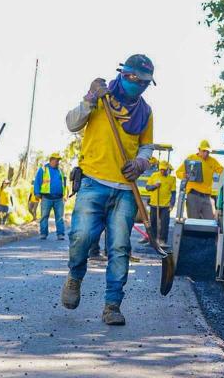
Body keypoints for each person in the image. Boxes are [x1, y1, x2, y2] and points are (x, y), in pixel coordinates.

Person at [62, 54, 156, 325]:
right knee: (80, 238)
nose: (138, 85)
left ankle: (112, 305)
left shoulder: (145, 112)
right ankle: (74, 277)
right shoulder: (101, 98)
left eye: (144, 82)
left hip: (125, 189)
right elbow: (72, 124)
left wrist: (141, 162)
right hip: (93, 181)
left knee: (119, 248)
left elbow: (146, 146)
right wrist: (90, 97)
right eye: (134, 79)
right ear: (124, 75)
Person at [176, 140, 224, 219]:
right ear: (199, 150)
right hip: (193, 195)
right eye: (204, 151)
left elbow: (222, 171)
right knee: (193, 221)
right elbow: (178, 172)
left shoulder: (212, 161)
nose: (206, 153)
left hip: (207, 197)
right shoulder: (191, 158)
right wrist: (184, 175)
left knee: (210, 221)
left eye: (208, 151)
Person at [34, 152, 67, 240]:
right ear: (51, 160)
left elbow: (64, 184)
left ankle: (60, 234)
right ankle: (43, 233)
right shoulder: (43, 170)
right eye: (56, 160)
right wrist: (37, 193)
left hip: (59, 198)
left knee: (59, 217)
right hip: (46, 198)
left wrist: (65, 194)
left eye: (58, 160)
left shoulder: (60, 171)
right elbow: (37, 182)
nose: (58, 162)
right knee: (44, 216)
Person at [145, 161, 176, 245]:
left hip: (165, 205)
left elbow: (173, 193)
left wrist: (172, 204)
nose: (162, 171)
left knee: (164, 224)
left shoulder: (172, 179)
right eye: (161, 169)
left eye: (164, 169)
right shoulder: (154, 175)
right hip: (154, 204)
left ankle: (162, 240)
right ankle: (152, 240)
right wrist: (155, 186)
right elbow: (147, 188)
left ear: (168, 169)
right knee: (153, 222)